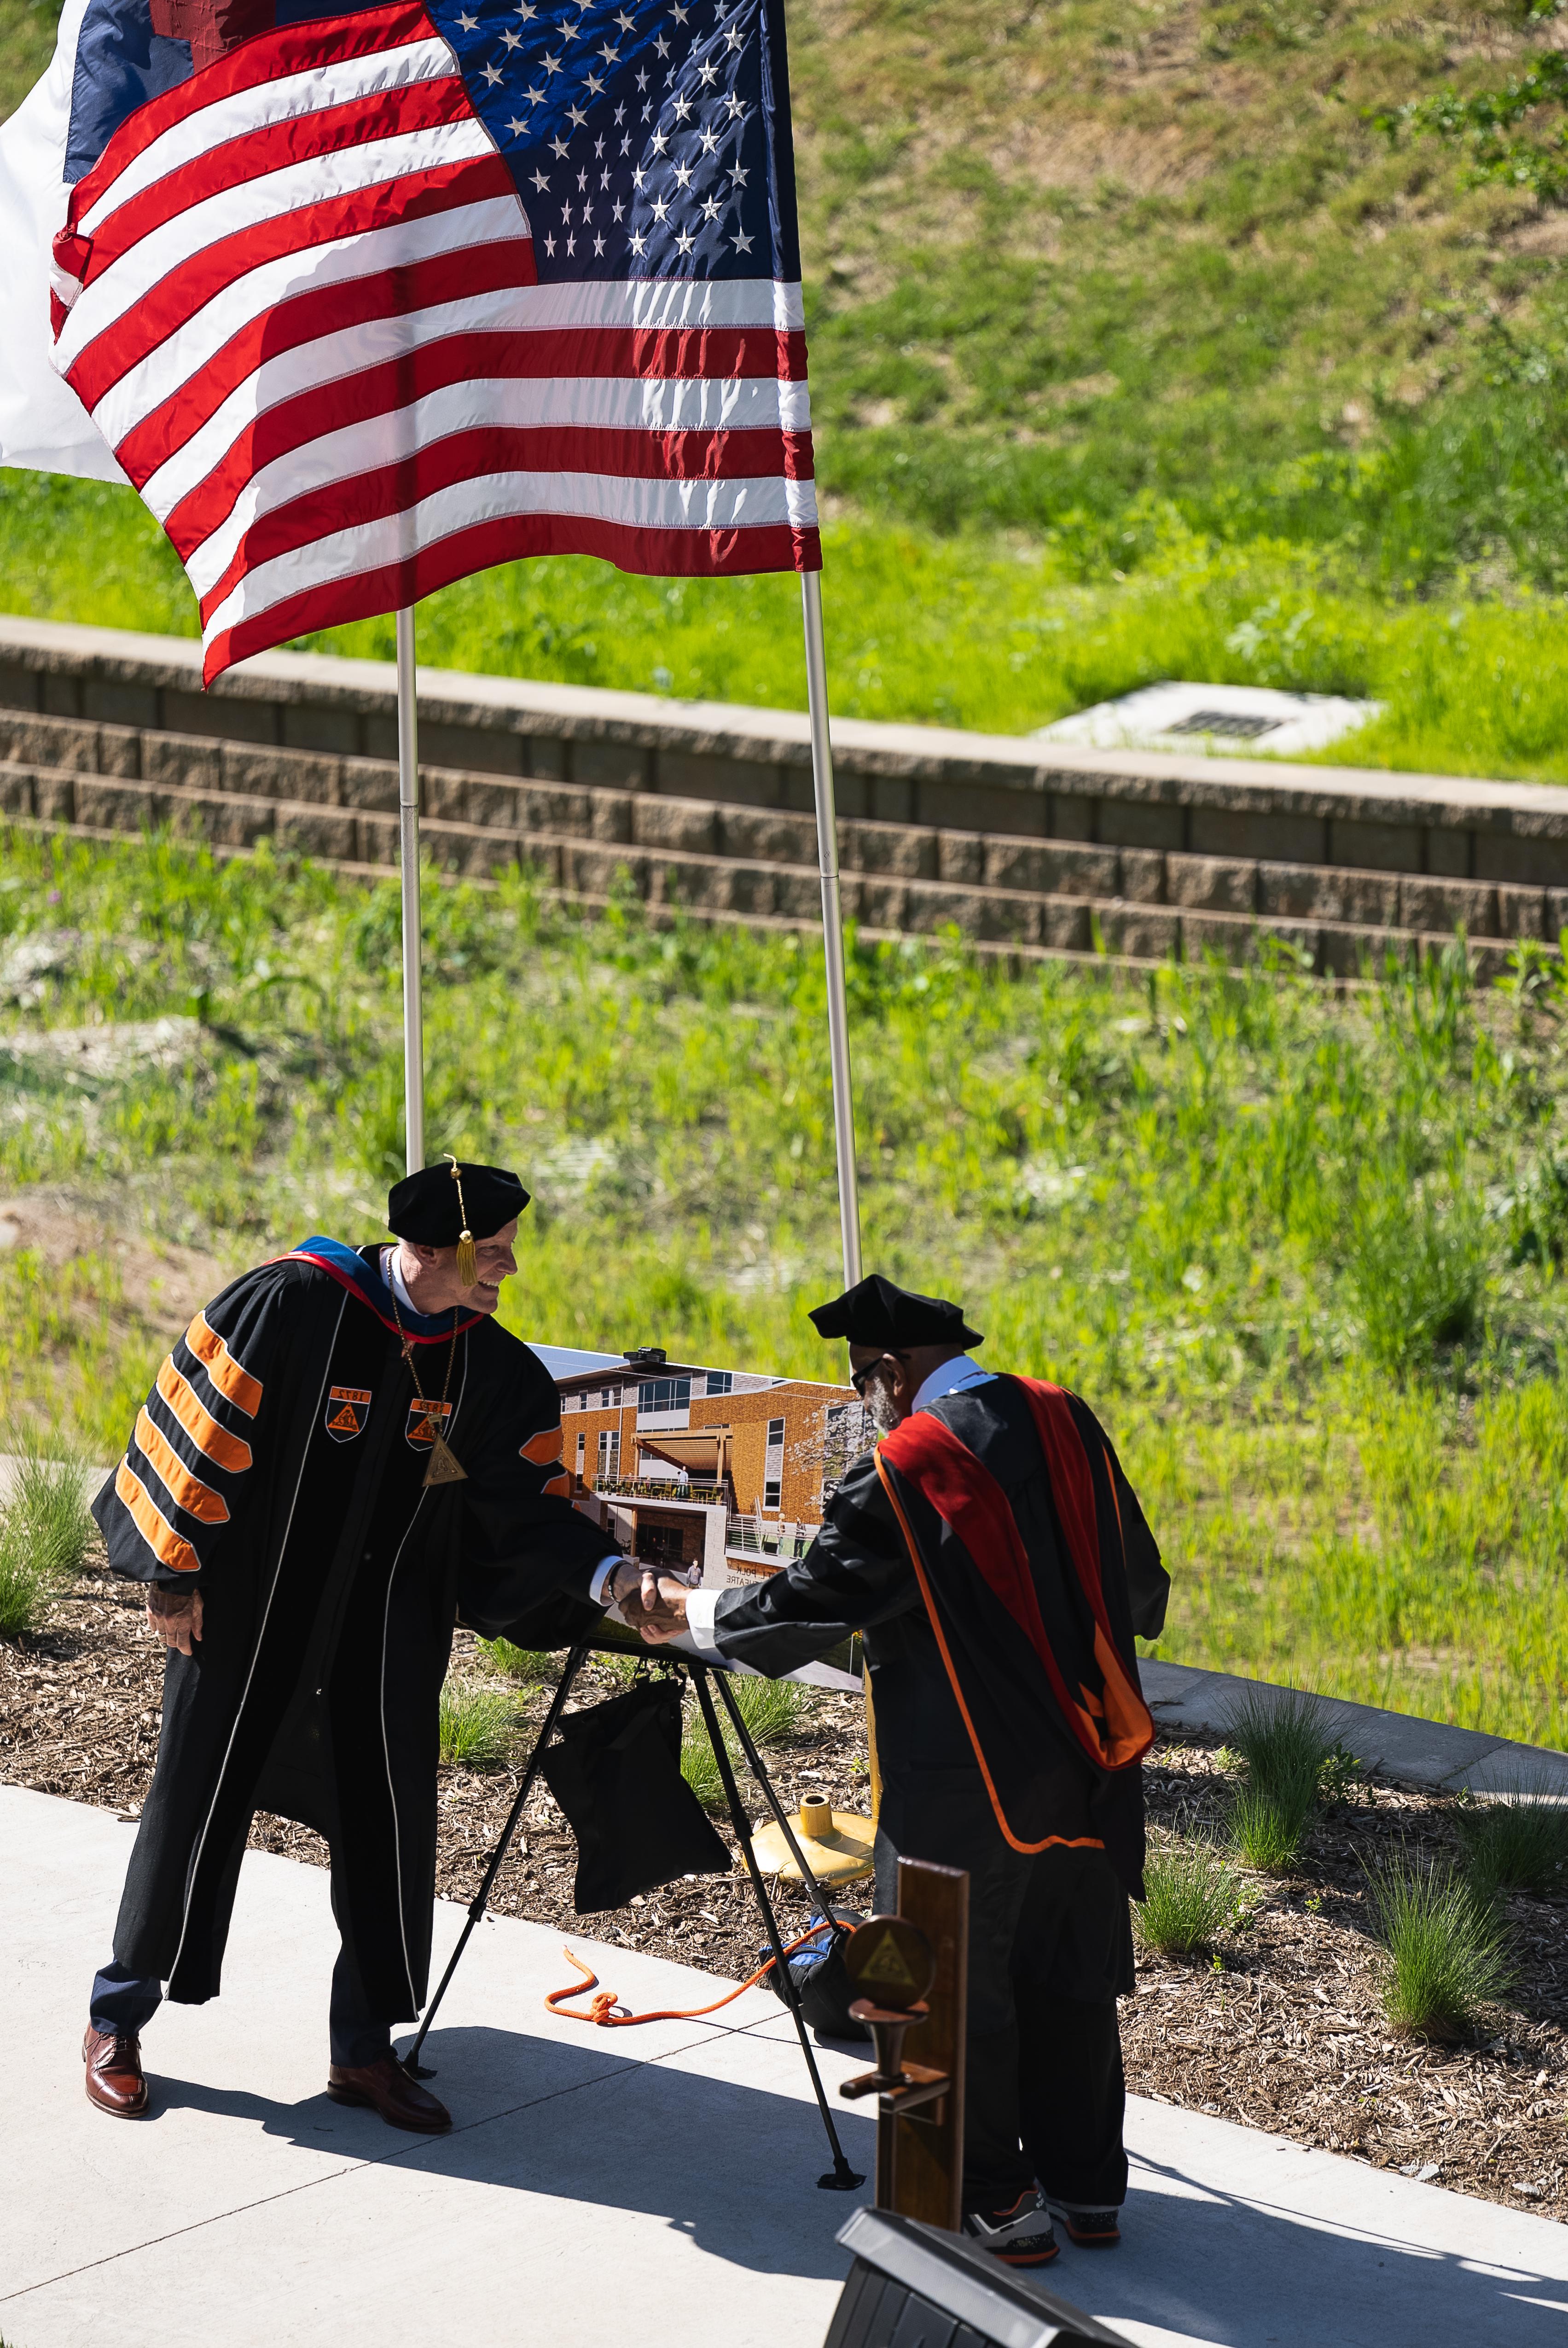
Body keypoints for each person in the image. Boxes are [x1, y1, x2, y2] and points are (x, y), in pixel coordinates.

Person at [83, 1159, 644, 2133]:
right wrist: (173, 1573)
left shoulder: (485, 1365)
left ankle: (362, 2054)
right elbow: (202, 1424)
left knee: (387, 1838)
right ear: (432, 1249)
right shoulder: (295, 1301)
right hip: (246, 1623)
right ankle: (116, 2019)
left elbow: (521, 1507)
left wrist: (612, 1579)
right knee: (188, 1811)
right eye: (492, 1254)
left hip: (382, 1641)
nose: (506, 1271)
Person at [632, 1273, 1168, 2269]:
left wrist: (693, 1612)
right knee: (1067, 1978)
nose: (862, 1407)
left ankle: (993, 2203)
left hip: (960, 1783)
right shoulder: (1064, 1417)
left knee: (942, 1990)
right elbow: (1139, 1584)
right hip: (1091, 1759)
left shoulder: (906, 1465)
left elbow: (817, 1598)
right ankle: (1088, 2190)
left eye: (862, 1385)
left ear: (888, 1371)